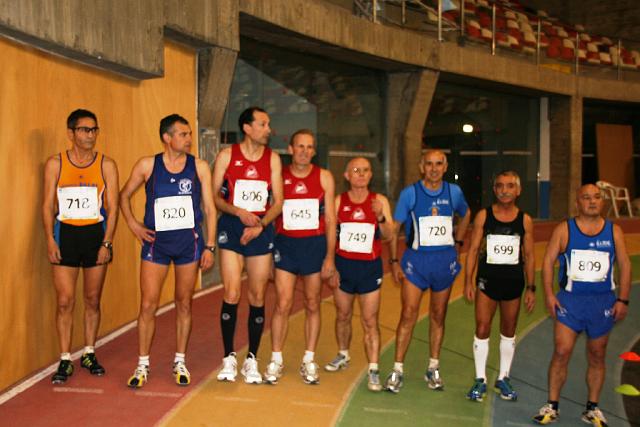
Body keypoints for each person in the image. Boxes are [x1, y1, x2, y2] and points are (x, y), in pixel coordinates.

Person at [120, 114, 217, 388]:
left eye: (189, 134)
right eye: (183, 134)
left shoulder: (199, 167)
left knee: (184, 302)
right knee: (148, 304)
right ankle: (142, 365)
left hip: (189, 244)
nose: (189, 139)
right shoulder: (148, 165)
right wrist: (133, 225)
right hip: (156, 244)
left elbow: (209, 208)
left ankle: (179, 360)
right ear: (167, 137)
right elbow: (123, 195)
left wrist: (210, 245)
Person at [533, 184, 630, 426]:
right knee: (562, 351)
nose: (592, 201)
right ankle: (552, 406)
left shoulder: (613, 231)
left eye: (597, 197)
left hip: (603, 303)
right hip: (570, 302)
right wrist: (549, 294)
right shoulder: (564, 229)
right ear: (578, 202)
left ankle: (592, 409)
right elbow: (547, 262)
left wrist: (623, 299)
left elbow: (625, 266)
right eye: (586, 198)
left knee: (597, 355)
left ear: (603, 201)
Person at [42, 109, 119, 384]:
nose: (90, 135)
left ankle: (88, 351)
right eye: (85, 130)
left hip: (95, 236)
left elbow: (113, 207)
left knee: (92, 299)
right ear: (71, 133)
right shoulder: (56, 163)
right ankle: (65, 358)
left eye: (94, 130)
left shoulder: (106, 164)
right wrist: (50, 238)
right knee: (64, 301)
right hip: (66, 236)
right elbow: (47, 204)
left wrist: (107, 243)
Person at [384, 149, 470, 393]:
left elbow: (466, 214)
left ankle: (433, 367)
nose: (434, 168)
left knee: (438, 314)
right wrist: (393, 261)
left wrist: (459, 242)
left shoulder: (454, 192)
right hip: (416, 263)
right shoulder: (410, 193)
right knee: (408, 314)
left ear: (445, 167)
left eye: (438, 164)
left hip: (444, 263)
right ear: (422, 166)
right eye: (429, 164)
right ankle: (397, 369)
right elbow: (396, 227)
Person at [213, 107, 283, 384]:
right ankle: (228, 357)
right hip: (231, 227)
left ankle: (251, 359)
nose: (268, 129)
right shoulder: (227, 155)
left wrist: (260, 225)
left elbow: (279, 201)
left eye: (268, 124)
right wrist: (236, 211)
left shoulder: (273, 159)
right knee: (231, 292)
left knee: (256, 295)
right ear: (247, 127)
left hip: (260, 230)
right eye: (263, 124)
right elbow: (214, 196)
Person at [263, 129, 336, 385]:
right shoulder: (279, 177)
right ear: (291, 149)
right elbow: (270, 215)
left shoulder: (324, 177)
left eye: (309, 147)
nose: (304, 151)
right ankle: (276, 359)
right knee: (282, 303)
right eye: (300, 146)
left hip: (313, 247)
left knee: (313, 302)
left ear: (314, 151)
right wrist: (269, 254)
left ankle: (308, 359)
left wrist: (330, 257)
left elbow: (329, 220)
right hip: (285, 245)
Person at [463, 171, 535, 402]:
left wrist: (531, 287)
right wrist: (468, 281)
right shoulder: (484, 216)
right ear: (494, 190)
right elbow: (473, 249)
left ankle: (504, 377)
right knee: (482, 327)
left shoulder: (524, 220)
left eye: (510, 186)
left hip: (513, 282)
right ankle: (480, 379)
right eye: (501, 186)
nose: (505, 190)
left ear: (518, 190)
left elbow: (530, 254)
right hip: (487, 281)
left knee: (509, 329)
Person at [324, 157, 393, 392]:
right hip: (344, 267)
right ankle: (343, 354)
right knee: (343, 315)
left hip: (369, 269)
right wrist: (330, 264)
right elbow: (330, 235)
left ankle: (374, 369)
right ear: (347, 175)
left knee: (369, 321)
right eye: (356, 170)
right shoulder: (337, 202)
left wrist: (381, 216)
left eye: (365, 171)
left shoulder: (379, 201)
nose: (361, 174)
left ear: (371, 175)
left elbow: (389, 235)